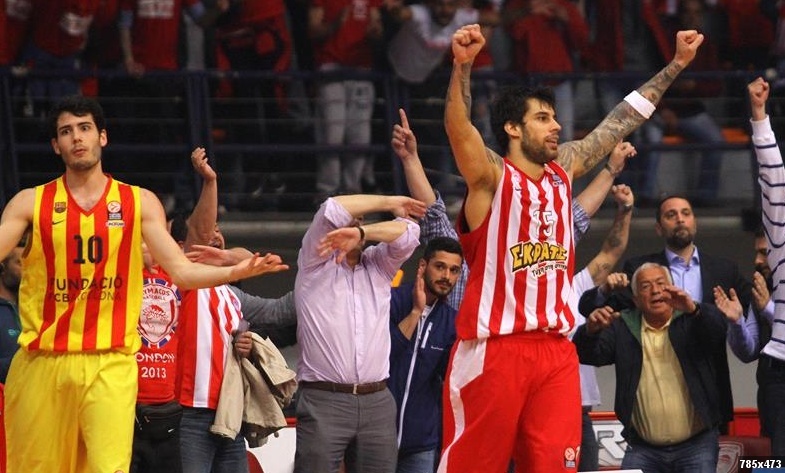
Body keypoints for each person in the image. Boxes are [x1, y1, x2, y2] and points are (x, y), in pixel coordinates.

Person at [439, 24, 702, 472]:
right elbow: (458, 129)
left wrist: (675, 65)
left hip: (557, 352)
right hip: (496, 348)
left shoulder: (563, 169)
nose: (557, 125)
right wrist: (462, 67)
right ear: (512, 128)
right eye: (543, 118)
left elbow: (621, 119)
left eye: (554, 117)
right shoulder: (491, 178)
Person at [0, 95, 288, 473]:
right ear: (56, 145)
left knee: (108, 468)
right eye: (66, 132)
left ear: (102, 136)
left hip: (109, 362)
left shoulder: (138, 202)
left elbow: (181, 271)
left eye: (85, 128)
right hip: (42, 361)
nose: (77, 138)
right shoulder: (29, 202)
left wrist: (237, 272)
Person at [578, 194, 754, 434]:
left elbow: (746, 315)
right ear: (659, 228)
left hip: (708, 394)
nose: (680, 219)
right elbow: (589, 310)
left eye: (685, 213)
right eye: (671, 215)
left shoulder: (724, 270)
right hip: (653, 386)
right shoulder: (642, 271)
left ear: (694, 222)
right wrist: (604, 289)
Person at [294, 193, 426, 473]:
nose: (355, 224)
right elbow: (333, 207)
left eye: (361, 221)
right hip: (324, 398)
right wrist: (389, 203)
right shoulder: (314, 260)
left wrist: (363, 232)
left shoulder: (380, 265)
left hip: (377, 399)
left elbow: (410, 232)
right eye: (351, 219)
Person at [573, 263, 735, 472]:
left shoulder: (691, 319)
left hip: (697, 445)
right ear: (635, 300)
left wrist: (694, 309)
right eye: (646, 286)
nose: (655, 291)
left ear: (673, 288)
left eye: (661, 283)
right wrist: (590, 331)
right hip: (643, 449)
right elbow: (589, 354)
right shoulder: (624, 326)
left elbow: (718, 331)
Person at [308, 0, 384, 201]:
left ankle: (352, 190)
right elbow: (313, 30)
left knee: (360, 136)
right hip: (331, 67)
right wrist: (335, 25)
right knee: (332, 135)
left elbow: (377, 27)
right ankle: (327, 192)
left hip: (362, 68)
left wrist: (375, 32)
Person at [747, 76, 785, 455]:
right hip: (781, 374)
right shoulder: (781, 232)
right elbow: (773, 178)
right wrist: (760, 114)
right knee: (776, 466)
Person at [0, 240, 23, 384]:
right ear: (3, 268)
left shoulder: (33, 310)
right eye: (20, 263)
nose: (27, 270)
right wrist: (22, 360)